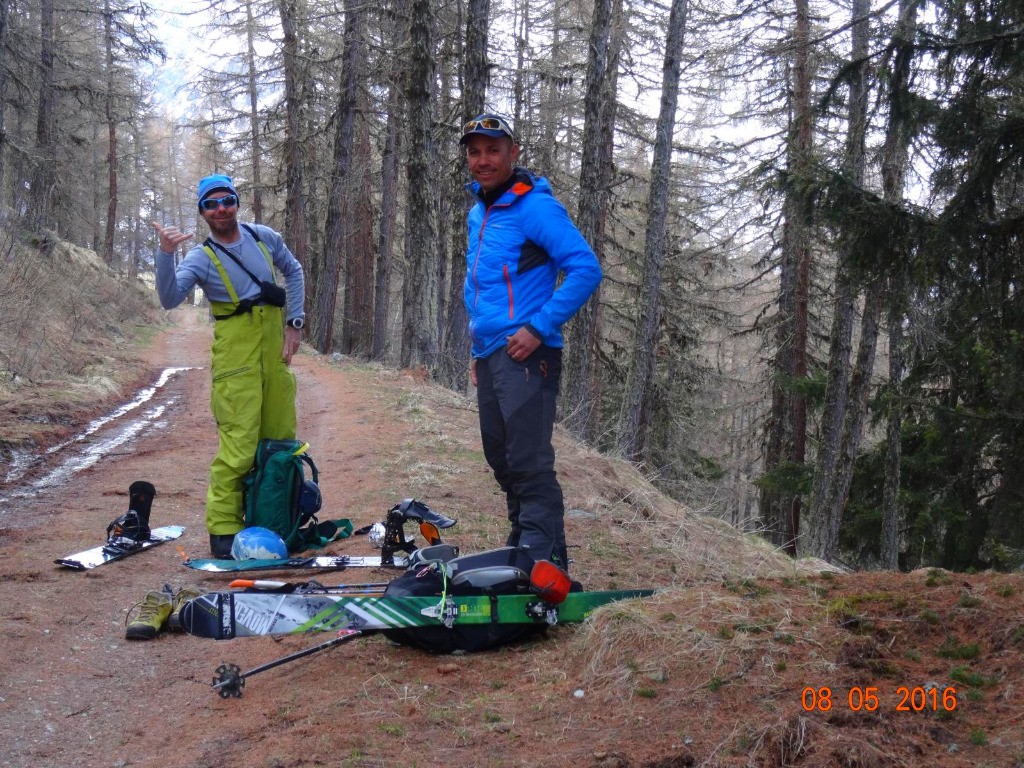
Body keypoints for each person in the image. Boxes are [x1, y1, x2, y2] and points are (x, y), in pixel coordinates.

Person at [461, 113, 602, 571]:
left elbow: (585, 268)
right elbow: (479, 286)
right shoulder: (479, 210)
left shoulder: (534, 207)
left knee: (528, 461)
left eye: (493, 150)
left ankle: (538, 562)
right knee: (501, 459)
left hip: (529, 353)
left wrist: (538, 326)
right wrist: (477, 350)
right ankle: (533, 552)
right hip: (491, 353)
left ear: (513, 153)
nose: (483, 160)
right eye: (475, 151)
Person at [152, 174, 306, 558]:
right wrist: (164, 253)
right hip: (235, 359)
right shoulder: (200, 258)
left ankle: (274, 522)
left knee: (280, 441)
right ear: (203, 212)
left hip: (274, 355)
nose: (220, 209)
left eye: (226, 201)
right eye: (211, 204)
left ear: (236, 202)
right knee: (238, 447)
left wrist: (295, 323)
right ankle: (223, 532)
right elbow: (170, 298)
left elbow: (296, 271)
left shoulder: (263, 237)